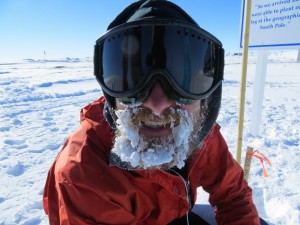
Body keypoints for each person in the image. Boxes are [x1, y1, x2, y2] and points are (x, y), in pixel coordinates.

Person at [43, 1, 267, 224]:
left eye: (184, 81)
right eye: (133, 80)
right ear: (112, 97)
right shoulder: (85, 174)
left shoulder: (200, 134)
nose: (157, 105)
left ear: (205, 96)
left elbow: (233, 195)